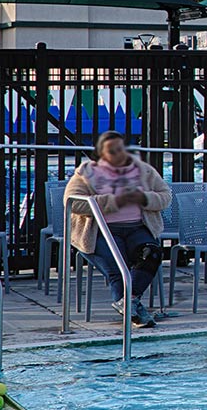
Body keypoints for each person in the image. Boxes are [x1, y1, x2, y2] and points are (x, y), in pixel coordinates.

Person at [66, 132, 174, 329]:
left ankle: (129, 302)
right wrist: (112, 201)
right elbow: (72, 202)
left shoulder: (144, 171)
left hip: (136, 228)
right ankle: (134, 313)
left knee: (152, 253)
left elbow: (166, 196)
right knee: (118, 267)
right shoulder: (86, 173)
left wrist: (144, 198)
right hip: (100, 231)